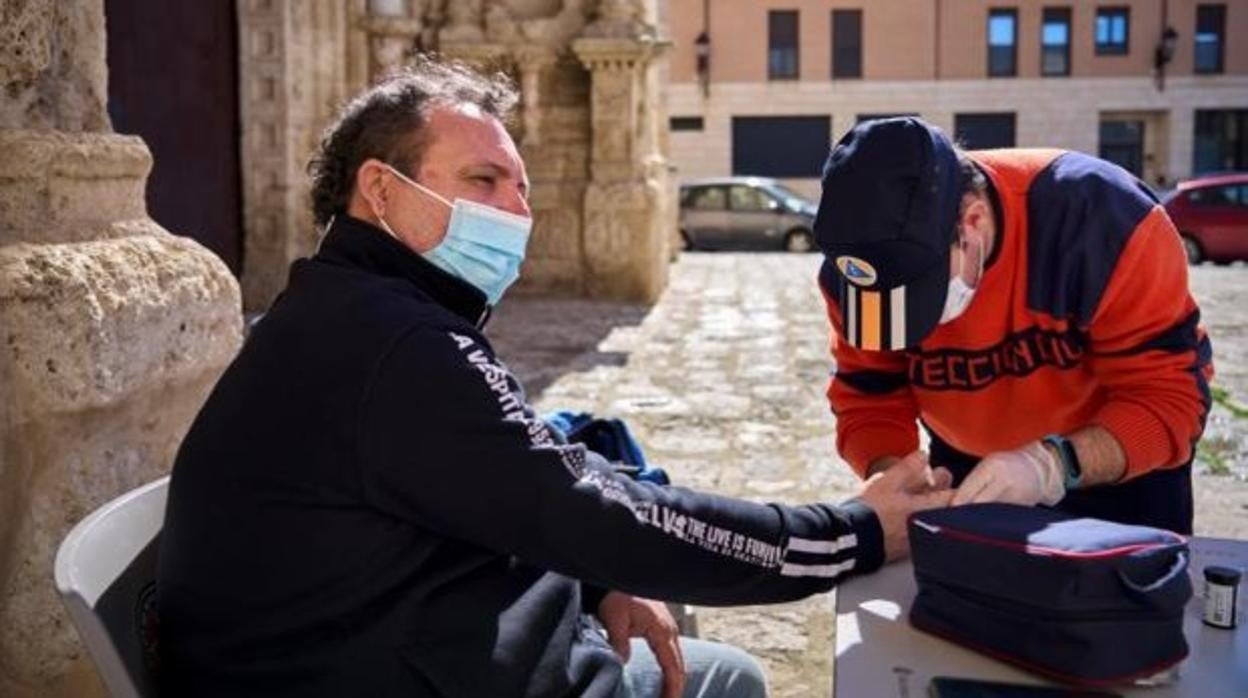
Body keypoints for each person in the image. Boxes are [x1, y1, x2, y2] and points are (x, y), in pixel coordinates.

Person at [156, 60, 952, 698]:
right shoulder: (393, 343)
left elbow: (525, 486)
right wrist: (850, 532)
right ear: (382, 190)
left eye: (523, 187)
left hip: (410, 636)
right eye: (483, 181)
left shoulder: (357, 311)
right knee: (730, 680)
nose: (516, 211)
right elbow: (599, 511)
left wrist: (594, 579)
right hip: (377, 666)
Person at [814, 117, 1213, 534]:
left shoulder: (1100, 220)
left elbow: (1171, 397)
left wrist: (1052, 466)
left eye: (921, 294)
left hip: (1120, 464)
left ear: (973, 220)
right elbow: (869, 398)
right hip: (968, 470)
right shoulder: (854, 275)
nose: (917, 322)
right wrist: (897, 479)